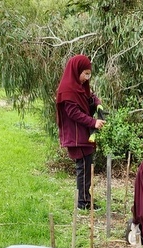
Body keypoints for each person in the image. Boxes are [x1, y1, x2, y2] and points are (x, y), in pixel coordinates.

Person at [56, 54, 105, 210]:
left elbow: (90, 97)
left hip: (84, 134)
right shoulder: (67, 90)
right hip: (76, 135)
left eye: (89, 74)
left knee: (87, 165)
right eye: (85, 73)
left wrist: (97, 103)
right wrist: (93, 122)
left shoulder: (80, 87)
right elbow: (73, 113)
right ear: (76, 71)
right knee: (83, 168)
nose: (87, 77)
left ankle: (85, 198)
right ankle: (82, 202)